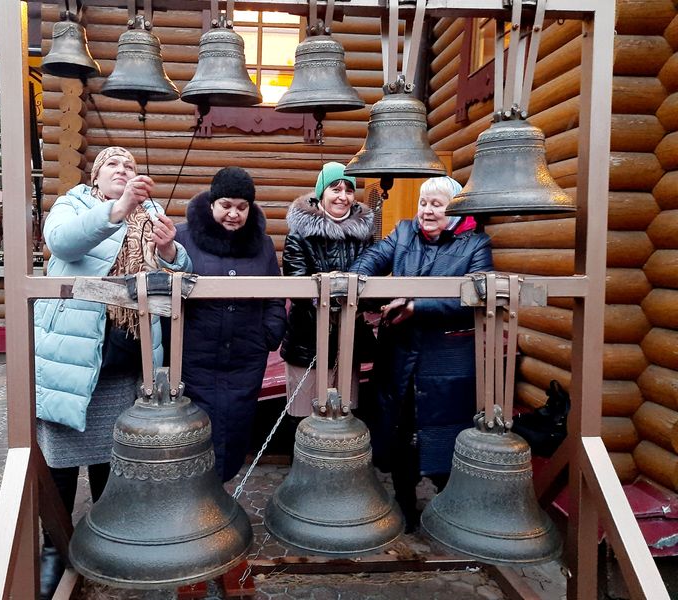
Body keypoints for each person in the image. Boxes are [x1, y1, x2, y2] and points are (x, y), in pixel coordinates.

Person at [33, 146, 191, 599]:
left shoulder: (151, 212)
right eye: (113, 165)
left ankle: (104, 538)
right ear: (96, 176)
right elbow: (63, 243)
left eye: (130, 165)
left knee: (112, 457)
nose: (123, 170)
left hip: (125, 359)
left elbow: (179, 275)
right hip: (72, 358)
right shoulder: (74, 205)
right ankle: (55, 547)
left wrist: (170, 248)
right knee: (61, 457)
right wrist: (117, 209)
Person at [350, 175, 493, 529]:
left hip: (446, 361)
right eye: (423, 203)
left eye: (437, 204)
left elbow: (476, 297)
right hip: (399, 356)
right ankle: (405, 505)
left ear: (454, 210)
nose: (427, 211)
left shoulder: (476, 244)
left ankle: (448, 508)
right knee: (400, 431)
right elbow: (373, 258)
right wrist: (354, 281)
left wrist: (418, 306)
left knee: (446, 432)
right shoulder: (403, 232)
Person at [175, 166, 287, 483]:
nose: (234, 214)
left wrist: (269, 334)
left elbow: (275, 295)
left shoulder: (262, 244)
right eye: (226, 205)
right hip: (196, 358)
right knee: (195, 429)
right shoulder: (183, 238)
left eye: (242, 207)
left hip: (245, 358)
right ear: (212, 203)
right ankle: (196, 496)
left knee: (236, 427)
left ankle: (220, 494)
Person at [280, 162, 375, 424]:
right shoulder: (299, 235)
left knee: (344, 416)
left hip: (348, 340)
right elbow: (297, 284)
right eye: (335, 189)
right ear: (322, 193)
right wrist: (330, 296)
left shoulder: (363, 236)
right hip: (307, 339)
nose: (343, 196)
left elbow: (371, 279)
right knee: (304, 416)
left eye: (349, 190)